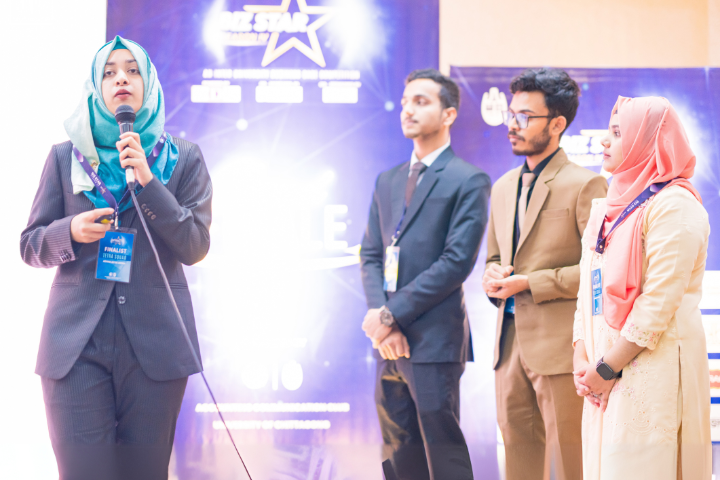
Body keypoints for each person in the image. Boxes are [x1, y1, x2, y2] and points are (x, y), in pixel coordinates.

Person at [20, 36, 212, 480]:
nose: (121, 78)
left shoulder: (183, 159)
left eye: (132, 70)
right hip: (75, 348)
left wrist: (149, 181)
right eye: (109, 72)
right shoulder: (64, 157)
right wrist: (69, 230)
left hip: (156, 349)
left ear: (149, 84)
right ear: (96, 86)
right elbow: (30, 244)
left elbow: (195, 245)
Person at [359, 69, 491, 480]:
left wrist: (390, 315)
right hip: (387, 341)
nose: (408, 110)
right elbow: (371, 254)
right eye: (404, 102)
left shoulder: (468, 180)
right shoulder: (388, 180)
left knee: (443, 454)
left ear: (448, 114)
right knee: (398, 453)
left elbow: (456, 262)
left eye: (421, 102)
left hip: (434, 339)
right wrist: (384, 321)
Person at [572, 96, 711, 479]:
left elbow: (658, 305)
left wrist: (606, 367)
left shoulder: (675, 206)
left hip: (652, 370)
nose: (605, 141)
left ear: (648, 142)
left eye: (618, 133)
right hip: (601, 374)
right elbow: (586, 293)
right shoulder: (605, 208)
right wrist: (582, 356)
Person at [482, 68, 609, 480]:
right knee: (518, 465)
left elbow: (599, 273)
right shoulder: (502, 187)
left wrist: (531, 283)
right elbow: (494, 258)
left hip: (560, 350)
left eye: (525, 116)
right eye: (511, 114)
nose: (512, 124)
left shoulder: (587, 185)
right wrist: (491, 277)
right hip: (508, 347)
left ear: (557, 124)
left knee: (572, 466)